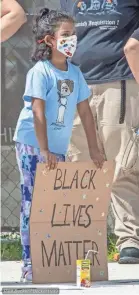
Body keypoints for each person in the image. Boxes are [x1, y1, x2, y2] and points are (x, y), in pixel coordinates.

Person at [13, 8, 104, 282]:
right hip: (33, 145)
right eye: (66, 35)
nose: (72, 40)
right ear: (49, 40)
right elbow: (38, 113)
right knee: (33, 203)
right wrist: (43, 151)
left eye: (73, 35)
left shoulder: (76, 73)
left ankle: (53, 263)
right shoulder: (40, 72)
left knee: (55, 205)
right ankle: (30, 263)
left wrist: (94, 149)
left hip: (58, 150)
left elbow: (86, 114)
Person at [61, 0, 139, 263]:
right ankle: (84, 238)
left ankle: (129, 239)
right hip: (76, 83)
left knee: (122, 161)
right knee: (79, 163)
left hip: (118, 81)